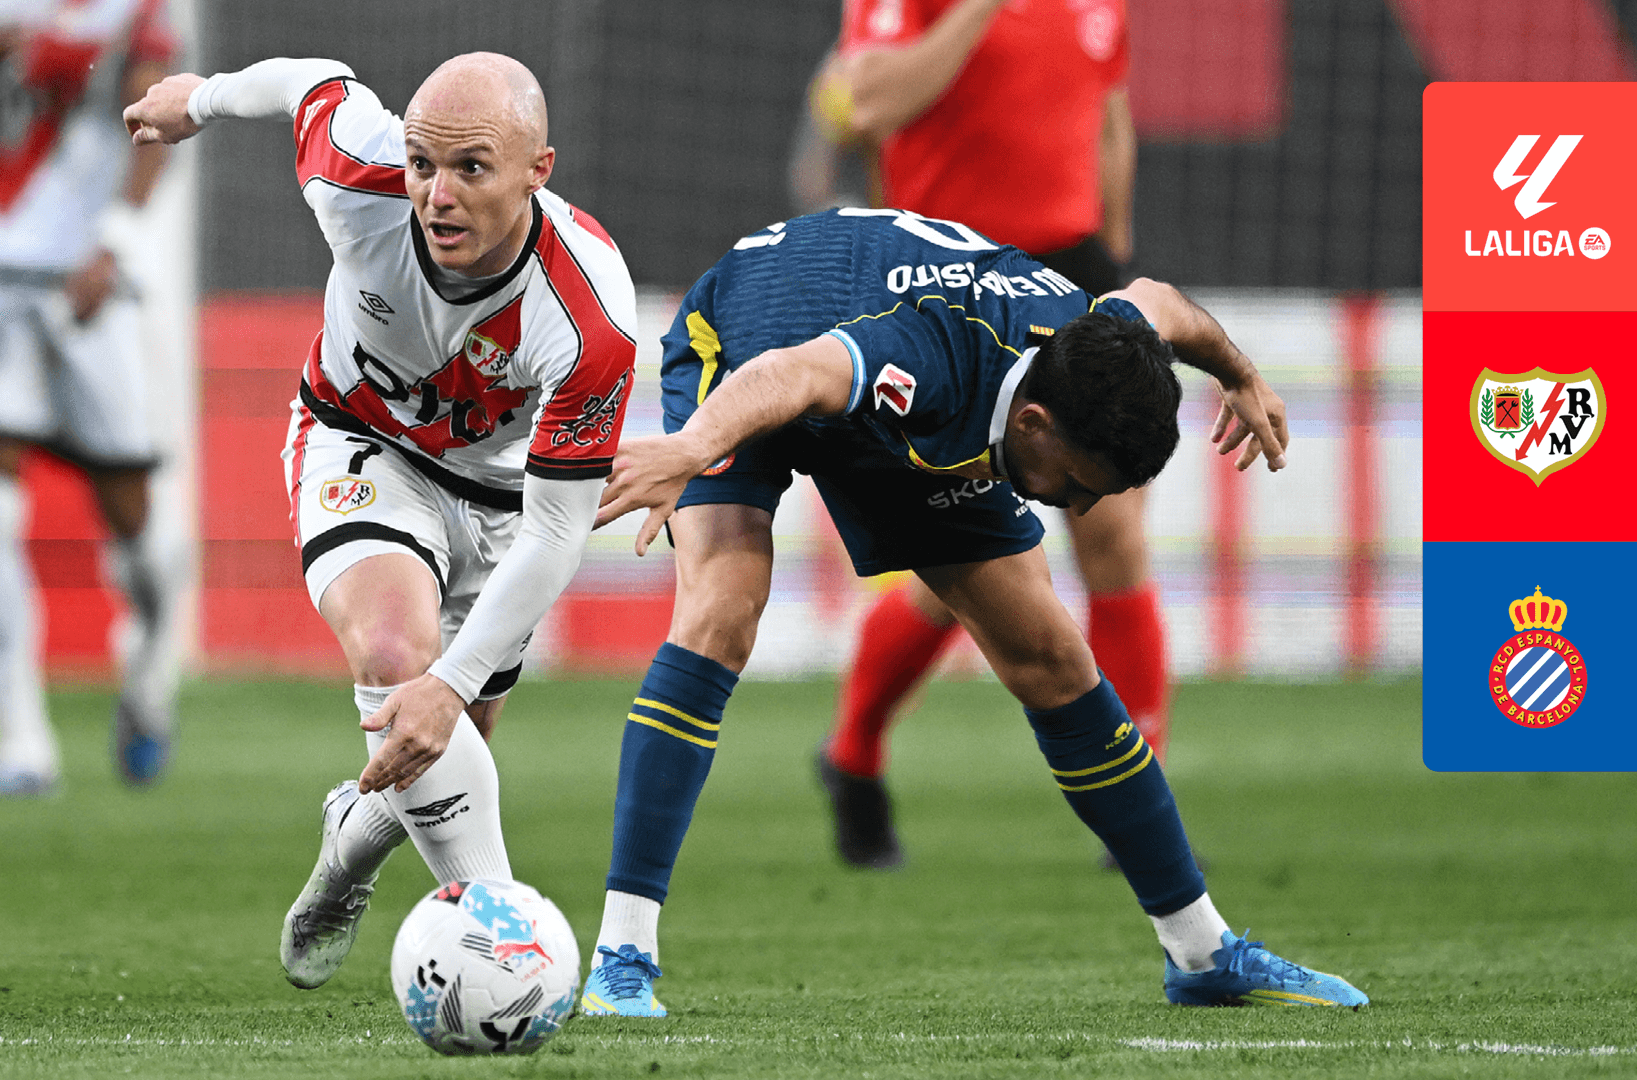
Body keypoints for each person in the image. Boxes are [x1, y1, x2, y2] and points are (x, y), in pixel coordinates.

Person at [580, 207, 1367, 1015]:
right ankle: (621, 956)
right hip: (753, 339)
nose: (1081, 507)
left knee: (1052, 660)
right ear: (1033, 422)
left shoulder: (1093, 335)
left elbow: (1162, 302)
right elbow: (797, 374)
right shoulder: (931, 354)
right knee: (723, 610)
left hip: (898, 402)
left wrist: (1238, 374)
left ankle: (1202, 953)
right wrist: (690, 447)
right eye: (1079, 482)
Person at [123, 52, 637, 989]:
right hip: (359, 442)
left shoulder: (589, 315)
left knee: (440, 733)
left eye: (472, 168)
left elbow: (560, 532)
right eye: (423, 165)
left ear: (538, 171)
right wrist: (199, 101)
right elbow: (309, 80)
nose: (438, 195)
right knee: (399, 660)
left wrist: (456, 685)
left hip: (504, 505)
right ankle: (505, 953)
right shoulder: (359, 174)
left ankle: (350, 845)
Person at [816, 0, 1165, 869]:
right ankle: (853, 755)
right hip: (952, 283)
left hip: (1073, 270)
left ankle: (1140, 797)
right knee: (962, 564)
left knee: (1115, 532)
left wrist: (1115, 255)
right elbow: (868, 104)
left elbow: (1111, 119)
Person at [0, 0, 186, 795]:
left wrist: (116, 243)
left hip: (93, 278)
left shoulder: (130, 7)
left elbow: (158, 118)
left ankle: (148, 679)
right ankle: (21, 744)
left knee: (134, 512)